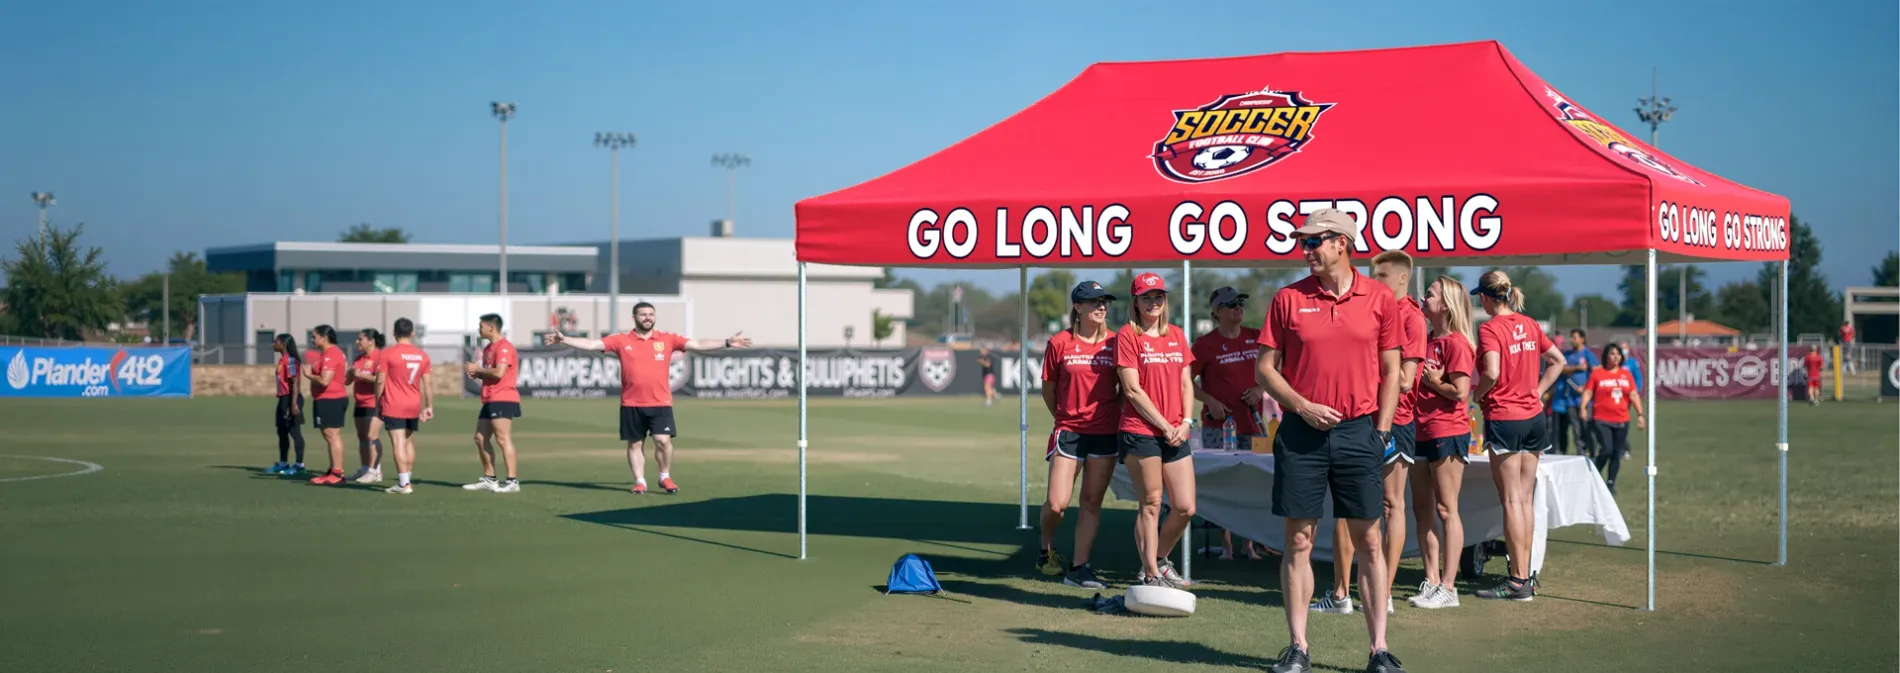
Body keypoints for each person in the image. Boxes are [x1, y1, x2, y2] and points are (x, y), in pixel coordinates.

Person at [1255, 208, 1406, 673]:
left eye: (1314, 241)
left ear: (1342, 242)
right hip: (1301, 432)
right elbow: (1264, 369)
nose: (1305, 249)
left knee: (1370, 542)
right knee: (1299, 541)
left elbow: (1392, 370)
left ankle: (1379, 649)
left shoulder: (1380, 298)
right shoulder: (1287, 299)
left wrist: (1380, 429)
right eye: (1303, 242)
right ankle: (1298, 647)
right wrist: (1300, 406)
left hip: (1360, 431)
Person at [544, 302, 750, 494]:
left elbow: (697, 343)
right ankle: (640, 481)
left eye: (651, 314)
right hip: (631, 403)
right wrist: (565, 339)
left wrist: (727, 342)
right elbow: (590, 344)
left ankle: (664, 476)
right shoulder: (621, 340)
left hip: (660, 402)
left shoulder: (667, 339)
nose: (647, 318)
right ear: (634, 317)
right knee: (635, 444)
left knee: (662, 441)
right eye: (643, 314)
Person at [1320, 251, 1426, 617]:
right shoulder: (1366, 308)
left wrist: (1367, 376)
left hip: (1393, 420)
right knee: (1346, 508)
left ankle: (1384, 590)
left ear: (1401, 279)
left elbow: (1407, 378)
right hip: (1359, 419)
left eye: (1380, 274)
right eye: (1371, 273)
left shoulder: (1411, 317)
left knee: (1390, 504)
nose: (1372, 279)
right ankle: (1340, 592)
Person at [1470, 270, 1565, 602]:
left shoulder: (1490, 328)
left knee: (1511, 500)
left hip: (1505, 418)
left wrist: (1477, 395)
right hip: (1533, 419)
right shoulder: (1531, 324)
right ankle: (1524, 576)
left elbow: (1492, 372)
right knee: (1524, 500)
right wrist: (1536, 392)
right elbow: (1558, 361)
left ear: (1485, 297)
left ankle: (1517, 579)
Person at [1034, 281, 1121, 589]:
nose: (1102, 307)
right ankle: (1046, 550)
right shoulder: (1060, 342)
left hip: (1105, 432)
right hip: (1068, 431)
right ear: (1078, 307)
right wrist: (1062, 416)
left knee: (1091, 501)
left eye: (1104, 302)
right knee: (1057, 503)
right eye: (1094, 302)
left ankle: (1079, 567)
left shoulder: (1117, 342)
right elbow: (1048, 388)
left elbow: (1125, 387)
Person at [1115, 272, 1197, 590]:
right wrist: (1165, 425)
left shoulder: (1177, 334)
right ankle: (1149, 573)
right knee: (1151, 502)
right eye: (1147, 297)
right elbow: (1133, 391)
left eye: (1158, 296)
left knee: (1186, 507)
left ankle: (1158, 561)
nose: (1153, 302)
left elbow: (1186, 383)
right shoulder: (1128, 336)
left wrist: (1186, 423)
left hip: (1176, 431)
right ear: (1135, 301)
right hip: (1141, 431)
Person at [1406, 276, 1477, 609]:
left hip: (1448, 431)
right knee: (1422, 511)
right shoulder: (1428, 339)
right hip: (1419, 430)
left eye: (1430, 294)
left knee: (1447, 509)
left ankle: (1449, 587)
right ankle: (1431, 581)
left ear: (1445, 305)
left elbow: (1461, 391)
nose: (1423, 297)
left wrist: (1433, 382)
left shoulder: (1456, 343)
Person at [1191, 286, 1270, 562]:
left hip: (1254, 426)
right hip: (1218, 427)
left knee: (1252, 485)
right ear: (1216, 312)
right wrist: (1210, 400)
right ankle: (1226, 546)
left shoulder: (1255, 337)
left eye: (1240, 302)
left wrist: (1261, 390)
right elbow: (1185, 383)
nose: (1238, 307)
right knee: (1223, 485)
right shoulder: (1204, 344)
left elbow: (1274, 370)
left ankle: (1249, 544)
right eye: (1231, 304)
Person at [463, 314, 522, 493]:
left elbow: (499, 373)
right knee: (480, 438)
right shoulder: (488, 348)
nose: (479, 329)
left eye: (481, 326)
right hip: (489, 398)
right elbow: (490, 372)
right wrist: (477, 373)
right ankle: (490, 479)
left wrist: (478, 370)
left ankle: (512, 481)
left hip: (503, 397)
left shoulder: (504, 347)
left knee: (502, 439)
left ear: (491, 327)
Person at [376, 318, 433, 494]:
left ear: (394, 333)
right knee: (408, 441)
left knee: (398, 442)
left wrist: (378, 402)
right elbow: (428, 383)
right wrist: (429, 406)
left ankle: (404, 484)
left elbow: (380, 381)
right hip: (413, 404)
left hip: (394, 404)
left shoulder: (387, 353)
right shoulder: (422, 355)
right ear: (412, 333)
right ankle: (406, 479)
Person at [1581, 343, 1644, 495]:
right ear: (1606, 356)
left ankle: (1610, 483)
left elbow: (1633, 395)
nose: (1615, 357)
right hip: (1601, 418)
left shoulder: (1626, 375)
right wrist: (1583, 407)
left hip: (1622, 418)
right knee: (1606, 449)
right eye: (1612, 354)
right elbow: (1588, 392)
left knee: (1617, 452)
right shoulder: (1598, 374)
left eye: (1618, 354)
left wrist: (1640, 415)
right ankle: (1594, 475)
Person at [303, 325, 353, 485]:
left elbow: (325, 380)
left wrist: (309, 375)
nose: (312, 339)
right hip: (324, 399)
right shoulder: (326, 354)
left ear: (324, 338)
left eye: (314, 336)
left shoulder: (331, 354)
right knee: (328, 435)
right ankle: (333, 470)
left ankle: (338, 473)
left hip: (331, 399)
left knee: (332, 435)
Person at [344, 328, 386, 484]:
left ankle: (375, 471)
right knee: (361, 436)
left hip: (373, 401)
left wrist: (362, 375)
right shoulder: (358, 357)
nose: (357, 342)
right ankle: (364, 468)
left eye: (360, 339)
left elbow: (381, 379)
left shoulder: (380, 357)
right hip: (359, 401)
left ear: (371, 341)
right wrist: (350, 374)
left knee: (371, 436)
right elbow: (348, 381)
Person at [1553, 330, 1600, 458]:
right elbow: (1561, 368)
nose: (1572, 340)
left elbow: (1597, 372)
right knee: (1575, 428)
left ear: (1582, 339)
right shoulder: (1568, 354)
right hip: (1570, 399)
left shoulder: (1587, 354)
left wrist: (1586, 387)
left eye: (1575, 337)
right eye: (1571, 337)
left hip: (1584, 399)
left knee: (1587, 427)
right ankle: (1580, 451)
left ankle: (1592, 450)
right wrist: (1577, 368)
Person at [266, 334, 308, 475]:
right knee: (281, 431)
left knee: (294, 432)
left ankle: (299, 465)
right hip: (283, 398)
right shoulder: (282, 360)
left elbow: (295, 382)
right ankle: (283, 463)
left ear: (283, 344)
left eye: (275, 341)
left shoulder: (290, 360)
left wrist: (294, 403)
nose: (273, 344)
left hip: (291, 398)